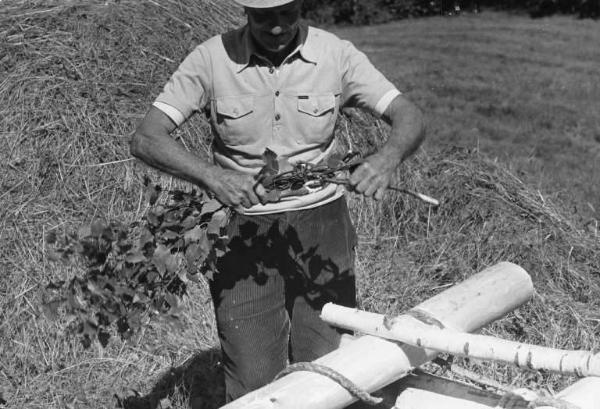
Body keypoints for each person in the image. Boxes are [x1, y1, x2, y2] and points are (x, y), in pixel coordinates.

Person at [130, 0, 424, 402]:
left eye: (288, 15)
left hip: (323, 225)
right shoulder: (211, 58)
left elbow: (408, 113)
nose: (277, 27)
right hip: (242, 228)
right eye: (265, 17)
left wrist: (386, 160)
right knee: (253, 373)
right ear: (246, 12)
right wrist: (214, 177)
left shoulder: (335, 54)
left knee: (330, 362)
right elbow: (147, 138)